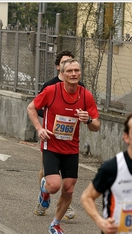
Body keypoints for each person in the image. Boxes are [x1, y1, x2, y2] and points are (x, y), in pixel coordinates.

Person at [27, 58, 100, 234]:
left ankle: (55, 224)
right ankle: (45, 188)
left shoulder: (86, 96)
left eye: (77, 71)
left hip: (71, 148)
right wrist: (39, 128)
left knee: (68, 189)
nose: (74, 74)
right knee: (54, 186)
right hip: (51, 145)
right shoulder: (52, 91)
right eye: (70, 71)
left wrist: (88, 120)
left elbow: (97, 125)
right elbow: (31, 107)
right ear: (63, 74)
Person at [35, 50, 87, 220]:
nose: (71, 71)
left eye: (74, 67)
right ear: (60, 68)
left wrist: (86, 118)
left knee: (68, 184)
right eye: (66, 65)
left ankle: (65, 206)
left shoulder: (81, 89)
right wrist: (44, 127)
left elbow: (89, 116)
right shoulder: (50, 87)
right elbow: (37, 109)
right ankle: (45, 194)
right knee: (49, 175)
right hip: (50, 139)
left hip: (69, 143)